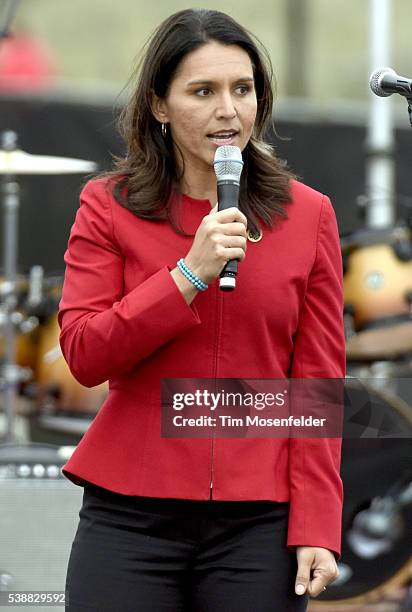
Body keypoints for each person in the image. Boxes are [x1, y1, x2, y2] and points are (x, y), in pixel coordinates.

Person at [59, 8, 345, 611]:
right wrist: (188, 274)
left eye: (243, 90)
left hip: (258, 522)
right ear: (160, 106)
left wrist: (317, 521)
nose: (228, 110)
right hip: (131, 513)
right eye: (203, 91)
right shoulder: (108, 206)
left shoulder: (309, 214)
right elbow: (85, 353)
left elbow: (316, 381)